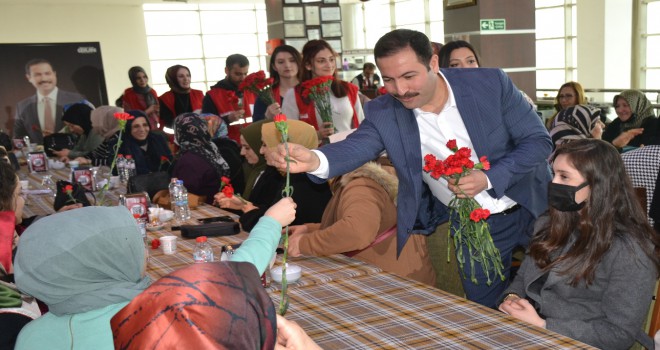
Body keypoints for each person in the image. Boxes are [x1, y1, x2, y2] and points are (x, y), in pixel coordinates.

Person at [267, 29, 552, 308]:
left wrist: (488, 177)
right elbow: (357, 146)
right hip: (472, 224)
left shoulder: (488, 83)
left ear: (433, 63)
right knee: (484, 307)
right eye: (388, 79)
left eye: (408, 76)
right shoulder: (386, 110)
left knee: (556, 297)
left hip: (532, 205)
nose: (400, 90)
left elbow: (538, 142)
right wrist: (315, 159)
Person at [14, 197, 298, 350]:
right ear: (103, 261)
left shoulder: (30, 337)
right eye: (129, 245)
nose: (143, 252)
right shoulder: (155, 318)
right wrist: (270, 223)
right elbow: (233, 276)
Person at [498, 139, 660, 350]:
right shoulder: (548, 223)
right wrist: (511, 298)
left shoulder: (629, 249)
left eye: (564, 176)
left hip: (579, 341)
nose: (553, 182)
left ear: (597, 185)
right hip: (532, 330)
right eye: (553, 173)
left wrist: (543, 325)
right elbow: (522, 280)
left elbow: (619, 334)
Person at [287, 159, 437, 286]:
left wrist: (304, 243)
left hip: (387, 285)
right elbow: (374, 223)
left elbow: (357, 231)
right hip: (402, 277)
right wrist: (311, 229)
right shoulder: (384, 174)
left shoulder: (362, 183)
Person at [215, 120, 332, 233]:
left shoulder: (302, 181)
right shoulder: (288, 175)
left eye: (265, 145)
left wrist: (247, 208)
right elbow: (267, 211)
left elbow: (263, 226)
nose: (261, 151)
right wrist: (245, 206)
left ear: (285, 147)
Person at [281, 40, 364, 140]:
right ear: (308, 65)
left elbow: (361, 125)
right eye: (321, 61)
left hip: (349, 150)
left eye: (331, 59)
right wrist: (316, 135)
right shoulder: (294, 95)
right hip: (313, 153)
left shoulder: (348, 89)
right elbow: (288, 134)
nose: (329, 65)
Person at [13, 58, 85, 144]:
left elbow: (87, 132)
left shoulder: (77, 99)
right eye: (37, 75)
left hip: (72, 155)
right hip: (38, 156)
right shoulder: (22, 106)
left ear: (54, 74)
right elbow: (18, 137)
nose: (44, 78)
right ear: (28, 78)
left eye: (47, 73)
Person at [172, 113, 231, 204]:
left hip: (202, 207)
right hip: (216, 204)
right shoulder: (209, 147)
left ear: (181, 133)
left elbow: (185, 194)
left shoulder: (189, 160)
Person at [202, 54, 256, 143]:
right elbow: (208, 129)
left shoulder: (253, 92)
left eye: (245, 73)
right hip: (227, 149)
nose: (243, 78)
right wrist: (227, 119)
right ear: (227, 70)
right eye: (238, 74)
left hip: (252, 146)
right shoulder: (212, 96)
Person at [252, 45, 301, 122]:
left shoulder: (312, 91)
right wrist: (267, 119)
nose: (287, 65)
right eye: (281, 62)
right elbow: (254, 130)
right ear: (274, 66)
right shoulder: (265, 96)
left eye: (292, 60)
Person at [118, 110, 172, 175]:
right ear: (128, 128)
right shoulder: (122, 145)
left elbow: (170, 163)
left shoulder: (158, 139)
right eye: (136, 126)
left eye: (145, 125)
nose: (142, 130)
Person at [158, 65, 204, 131]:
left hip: (200, 134)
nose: (186, 79)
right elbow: (168, 123)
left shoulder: (199, 94)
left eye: (188, 75)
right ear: (173, 79)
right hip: (175, 137)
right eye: (181, 76)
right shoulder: (165, 99)